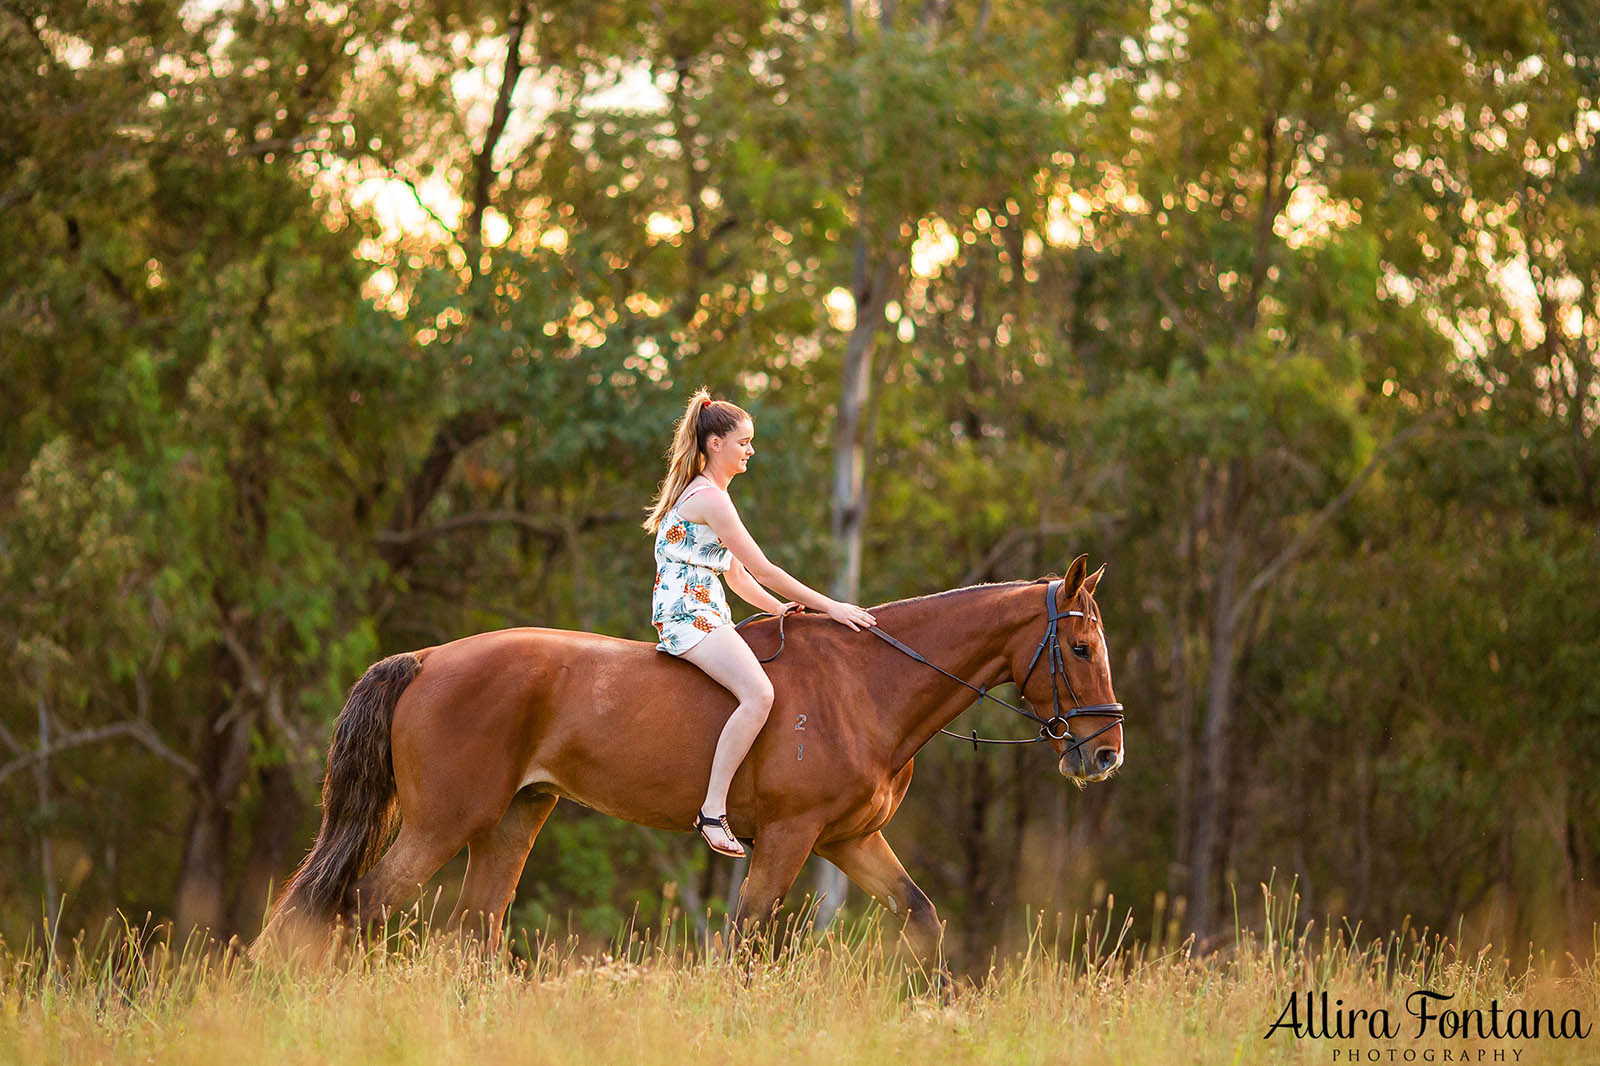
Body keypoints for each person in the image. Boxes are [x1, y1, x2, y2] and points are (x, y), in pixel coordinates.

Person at [643, 388, 877, 857]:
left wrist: (779, 610)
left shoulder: (710, 497)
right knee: (760, 694)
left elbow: (738, 576)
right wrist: (833, 607)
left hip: (707, 613)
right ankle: (712, 811)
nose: (751, 450)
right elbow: (765, 568)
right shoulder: (711, 499)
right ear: (715, 445)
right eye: (744, 442)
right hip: (688, 619)